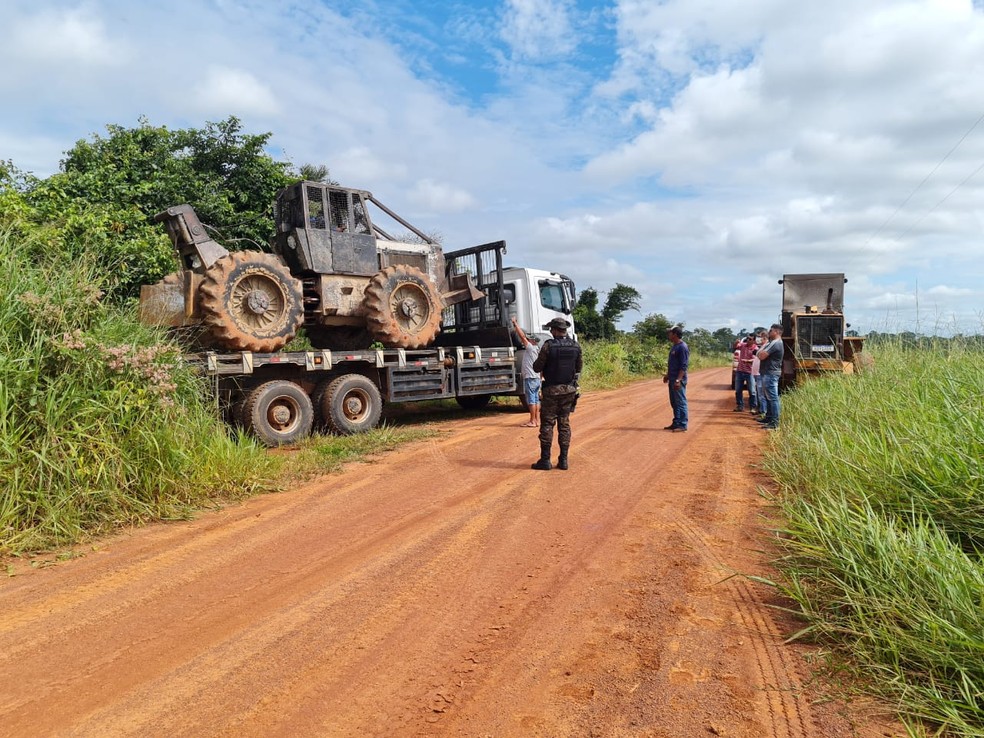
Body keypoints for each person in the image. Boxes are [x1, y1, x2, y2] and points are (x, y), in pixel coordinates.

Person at [530, 317, 582, 470]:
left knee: (547, 424)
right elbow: (578, 368)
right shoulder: (575, 346)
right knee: (564, 424)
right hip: (569, 390)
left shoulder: (548, 346)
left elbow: (537, 367)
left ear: (553, 330)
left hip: (551, 391)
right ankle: (563, 460)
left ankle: (545, 460)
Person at [511, 316, 541, 428]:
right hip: (537, 378)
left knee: (531, 400)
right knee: (536, 399)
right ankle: (537, 420)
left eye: (529, 339)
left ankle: (532, 421)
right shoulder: (538, 350)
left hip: (531, 378)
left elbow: (522, 336)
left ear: (532, 341)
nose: (526, 340)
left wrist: (515, 323)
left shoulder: (530, 348)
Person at [757, 323, 785, 430]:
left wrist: (760, 353)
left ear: (777, 332)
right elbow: (759, 353)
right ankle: (769, 417)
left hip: (771, 373)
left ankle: (774, 422)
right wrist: (760, 352)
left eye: (771, 330)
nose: (769, 332)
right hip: (768, 373)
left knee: (773, 398)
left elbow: (761, 356)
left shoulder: (776, 343)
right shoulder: (771, 343)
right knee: (768, 397)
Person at [663, 326, 689, 432]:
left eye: (670, 333)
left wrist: (678, 380)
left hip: (679, 380)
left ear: (675, 334)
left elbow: (684, 365)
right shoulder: (674, 346)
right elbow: (673, 364)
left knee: (681, 402)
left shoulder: (682, 347)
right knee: (674, 402)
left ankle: (683, 425)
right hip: (672, 378)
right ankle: (676, 422)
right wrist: (668, 375)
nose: (668, 335)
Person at [733, 334, 757, 412]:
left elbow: (755, 360)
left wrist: (747, 361)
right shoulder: (743, 345)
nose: (748, 340)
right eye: (747, 338)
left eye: (750, 339)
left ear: (754, 341)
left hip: (750, 372)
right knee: (738, 390)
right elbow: (735, 347)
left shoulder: (755, 349)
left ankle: (753, 407)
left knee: (752, 391)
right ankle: (740, 406)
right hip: (740, 371)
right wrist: (736, 342)